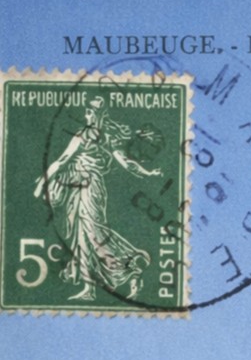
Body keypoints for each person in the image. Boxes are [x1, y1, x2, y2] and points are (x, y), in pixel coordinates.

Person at [33, 95, 161, 301]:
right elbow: (62, 160)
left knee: (92, 233)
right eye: (87, 111)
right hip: (76, 186)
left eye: (91, 112)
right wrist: (43, 181)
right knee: (81, 236)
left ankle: (129, 266)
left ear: (100, 114)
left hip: (91, 188)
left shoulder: (106, 137)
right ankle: (94, 286)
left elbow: (126, 162)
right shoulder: (84, 134)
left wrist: (147, 173)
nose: (87, 115)